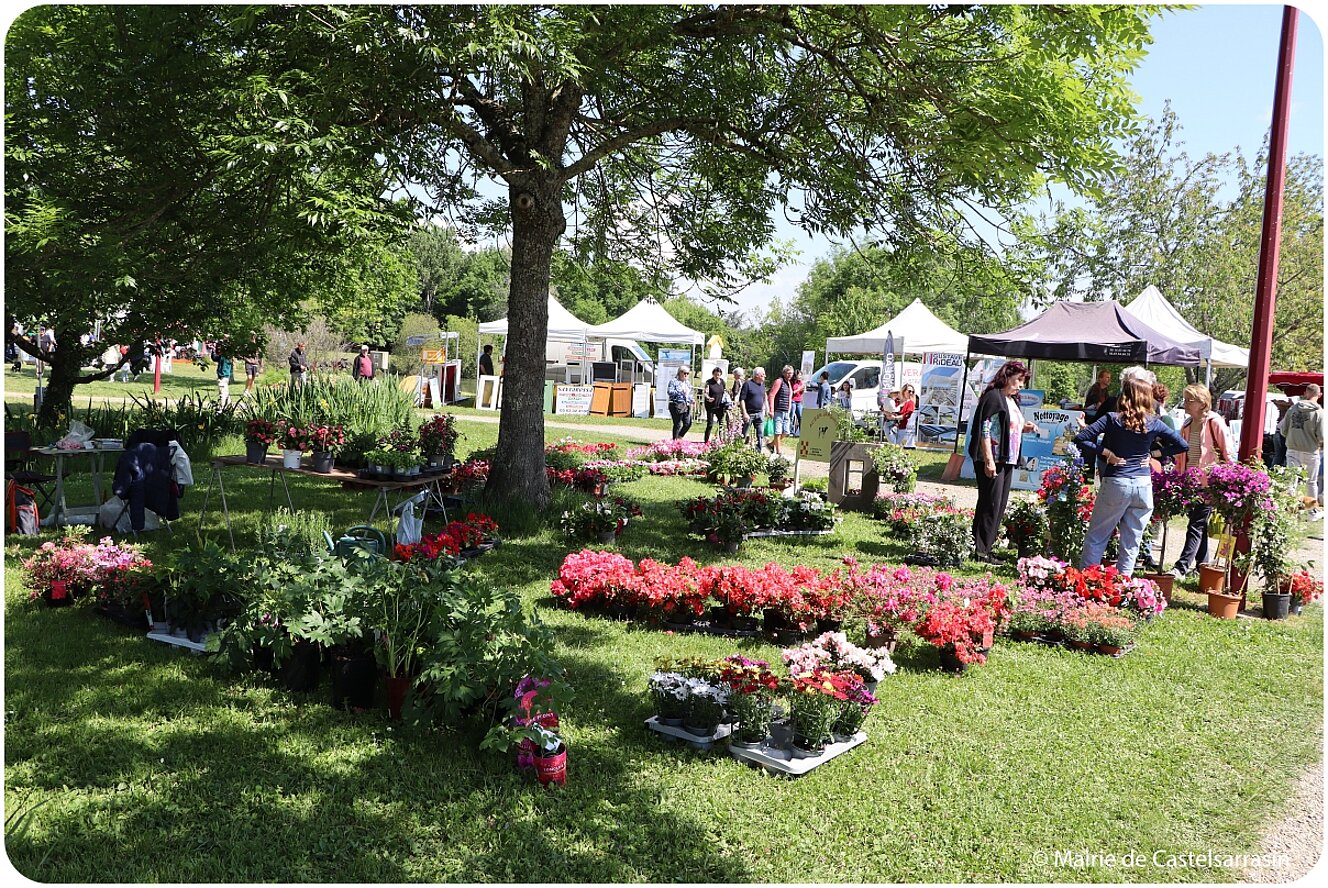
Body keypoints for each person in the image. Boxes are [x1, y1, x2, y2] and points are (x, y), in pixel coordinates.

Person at [1074, 378, 1188, 575]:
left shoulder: (1111, 418)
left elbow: (1081, 439)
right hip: (1143, 485)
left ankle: (1088, 582)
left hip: (1117, 481)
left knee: (1097, 536)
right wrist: (1153, 455)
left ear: (1124, 396)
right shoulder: (1154, 423)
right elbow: (1182, 445)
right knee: (1131, 542)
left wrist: (1107, 454)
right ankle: (1124, 589)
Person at [968, 360, 1037, 563]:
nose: (1020, 385)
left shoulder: (1011, 400)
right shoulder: (993, 397)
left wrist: (1024, 428)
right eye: (1018, 380)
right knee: (990, 503)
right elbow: (985, 430)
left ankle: (984, 547)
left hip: (1007, 459)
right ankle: (981, 550)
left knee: (998, 504)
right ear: (1006, 377)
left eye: (1022, 381)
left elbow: (1006, 426)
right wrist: (989, 460)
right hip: (993, 459)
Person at [1168, 384, 1232, 578]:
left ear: (1202, 403)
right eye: (1185, 399)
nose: (1186, 404)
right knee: (1198, 523)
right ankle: (1203, 565)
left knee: (1195, 524)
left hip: (1208, 483)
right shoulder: (1187, 424)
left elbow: (1228, 452)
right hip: (1190, 481)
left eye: (1190, 400)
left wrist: (1227, 480)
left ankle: (1181, 566)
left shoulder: (1214, 422)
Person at [1280, 384, 1324, 518]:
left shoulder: (1293, 409)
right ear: (1319, 395)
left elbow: (1283, 430)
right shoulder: (1319, 412)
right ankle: (1312, 512)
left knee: (1291, 481)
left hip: (1292, 449)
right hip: (1310, 450)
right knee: (1311, 482)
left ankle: (1290, 511)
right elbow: (1322, 435)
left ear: (1305, 393)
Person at [767, 365, 795, 455]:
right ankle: (779, 452)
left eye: (791, 373)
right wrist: (771, 410)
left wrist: (789, 408)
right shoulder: (779, 381)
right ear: (784, 373)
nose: (790, 375)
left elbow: (790, 397)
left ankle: (771, 444)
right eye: (788, 373)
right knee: (778, 432)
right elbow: (771, 395)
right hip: (778, 410)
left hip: (786, 411)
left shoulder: (789, 383)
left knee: (786, 432)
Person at [739, 367, 768, 452]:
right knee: (743, 434)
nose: (764, 376)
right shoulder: (747, 384)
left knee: (760, 434)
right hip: (749, 414)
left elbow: (764, 397)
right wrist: (744, 413)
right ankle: (740, 450)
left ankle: (758, 452)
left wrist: (766, 408)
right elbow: (742, 399)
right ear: (757, 375)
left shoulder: (762, 385)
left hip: (759, 413)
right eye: (763, 375)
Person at [666, 366, 695, 439]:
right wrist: (680, 391)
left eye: (688, 373)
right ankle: (675, 441)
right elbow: (670, 392)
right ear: (679, 373)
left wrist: (692, 399)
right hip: (676, 405)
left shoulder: (687, 383)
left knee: (688, 423)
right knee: (677, 424)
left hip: (686, 405)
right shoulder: (673, 381)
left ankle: (679, 436)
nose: (686, 375)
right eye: (684, 373)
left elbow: (690, 394)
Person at [703, 366, 729, 443]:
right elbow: (705, 392)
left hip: (720, 406)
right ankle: (706, 441)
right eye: (716, 375)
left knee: (721, 423)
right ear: (713, 374)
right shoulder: (709, 382)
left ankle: (721, 440)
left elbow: (724, 392)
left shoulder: (722, 382)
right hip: (710, 406)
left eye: (718, 375)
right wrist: (708, 398)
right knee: (710, 424)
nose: (717, 376)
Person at [894, 383, 918, 448]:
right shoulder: (896, 401)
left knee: (896, 445)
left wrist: (894, 418)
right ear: (904, 391)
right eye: (909, 391)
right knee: (892, 444)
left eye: (913, 392)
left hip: (902, 427)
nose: (911, 393)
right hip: (891, 426)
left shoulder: (911, 403)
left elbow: (907, 415)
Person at [790, 370, 805, 436]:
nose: (800, 377)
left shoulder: (801, 382)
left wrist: (802, 390)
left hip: (799, 401)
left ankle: (801, 432)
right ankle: (791, 431)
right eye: (799, 375)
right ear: (796, 375)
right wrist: (798, 389)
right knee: (792, 416)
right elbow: (792, 392)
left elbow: (801, 393)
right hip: (792, 400)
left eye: (801, 375)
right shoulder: (791, 382)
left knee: (801, 416)